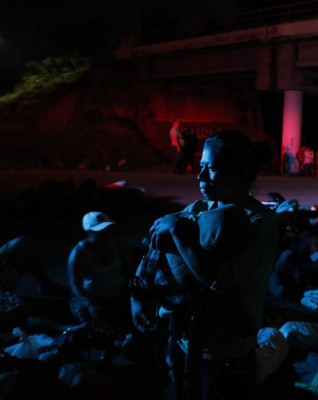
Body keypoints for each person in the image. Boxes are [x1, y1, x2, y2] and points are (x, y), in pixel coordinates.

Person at [142, 130, 278, 400]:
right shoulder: (196, 210)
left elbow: (222, 281)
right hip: (185, 342)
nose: (200, 176)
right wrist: (140, 295)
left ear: (238, 173)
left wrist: (179, 232)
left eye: (211, 168)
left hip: (227, 352)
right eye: (201, 166)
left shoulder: (259, 222)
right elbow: (153, 243)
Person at [67, 211, 135, 334]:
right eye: (99, 231)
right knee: (94, 329)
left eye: (107, 229)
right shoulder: (79, 253)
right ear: (88, 232)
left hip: (116, 295)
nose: (105, 234)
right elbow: (74, 286)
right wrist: (90, 304)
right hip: (93, 299)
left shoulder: (118, 245)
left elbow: (129, 270)